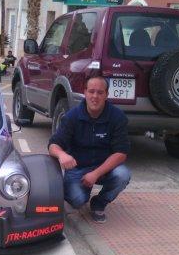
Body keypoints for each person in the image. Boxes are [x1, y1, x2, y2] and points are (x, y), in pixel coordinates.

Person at [48, 75, 131, 223]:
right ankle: (81, 192)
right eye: (91, 91)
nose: (95, 96)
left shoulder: (117, 117)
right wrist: (62, 155)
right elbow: (53, 145)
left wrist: (95, 174)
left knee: (123, 174)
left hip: (104, 168)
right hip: (78, 168)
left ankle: (99, 203)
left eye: (100, 92)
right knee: (77, 200)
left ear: (107, 94)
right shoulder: (72, 116)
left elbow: (121, 153)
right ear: (85, 92)